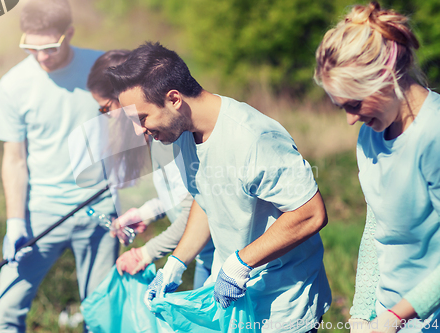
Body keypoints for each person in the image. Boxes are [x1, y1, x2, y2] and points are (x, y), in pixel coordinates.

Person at [105, 42, 332, 333]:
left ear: (174, 99)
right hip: (233, 300)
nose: (140, 131)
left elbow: (310, 213)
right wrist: (176, 262)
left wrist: (241, 264)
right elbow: (206, 198)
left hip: (283, 306)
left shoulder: (252, 137)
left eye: (141, 118)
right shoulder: (184, 134)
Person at [0, 1, 119, 331]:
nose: (42, 56)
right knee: (6, 307)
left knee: (101, 315)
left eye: (50, 47)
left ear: (69, 34)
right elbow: (15, 160)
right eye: (31, 48)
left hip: (98, 210)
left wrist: (127, 201)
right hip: (40, 215)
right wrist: (16, 222)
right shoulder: (13, 85)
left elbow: (132, 136)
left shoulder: (104, 69)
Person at [314, 2, 440, 332]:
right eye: (341, 107)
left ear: (384, 76)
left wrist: (400, 314)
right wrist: (360, 314)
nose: (350, 119)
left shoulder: (433, 135)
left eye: (354, 104)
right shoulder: (370, 135)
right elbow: (376, 228)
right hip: (385, 317)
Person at [86, 50, 214, 288]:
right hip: (206, 256)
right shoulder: (158, 139)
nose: (105, 118)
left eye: (105, 110)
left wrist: (145, 254)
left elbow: (198, 209)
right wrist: (145, 213)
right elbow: (182, 196)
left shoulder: (172, 138)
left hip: (221, 257)